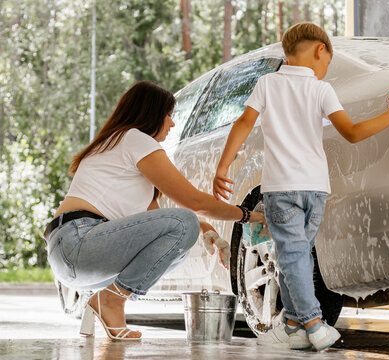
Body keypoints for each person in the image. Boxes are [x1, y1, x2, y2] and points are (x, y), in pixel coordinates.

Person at [213, 22, 389, 351]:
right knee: (298, 257)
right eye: (327, 62)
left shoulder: (268, 84)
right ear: (319, 50)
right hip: (315, 190)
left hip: (280, 190)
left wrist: (223, 164)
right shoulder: (321, 90)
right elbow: (353, 132)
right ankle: (312, 323)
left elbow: (244, 122)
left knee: (294, 258)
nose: (325, 69)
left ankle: (295, 323)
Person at [44, 80, 264, 341]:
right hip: (79, 243)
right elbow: (194, 203)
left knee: (179, 247)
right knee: (184, 224)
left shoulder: (115, 142)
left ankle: (106, 300)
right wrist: (249, 216)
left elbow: (157, 221)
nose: (172, 124)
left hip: (71, 255)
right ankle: (112, 302)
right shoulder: (135, 138)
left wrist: (209, 232)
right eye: (169, 115)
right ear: (151, 114)